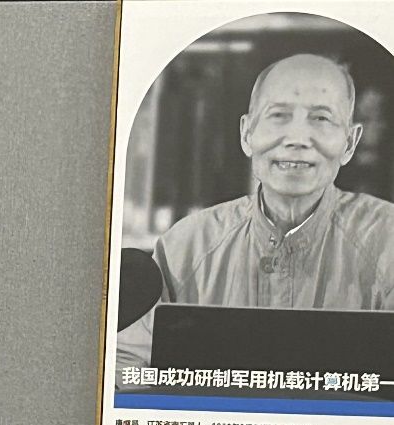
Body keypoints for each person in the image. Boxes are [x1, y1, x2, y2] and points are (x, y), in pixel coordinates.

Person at [118, 53, 394, 371]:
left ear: (350, 142)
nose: (297, 139)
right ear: (247, 133)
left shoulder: (387, 242)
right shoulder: (186, 246)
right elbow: (126, 363)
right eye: (278, 115)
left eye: (321, 119)